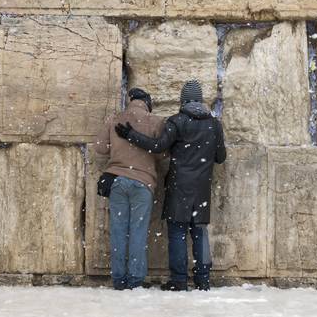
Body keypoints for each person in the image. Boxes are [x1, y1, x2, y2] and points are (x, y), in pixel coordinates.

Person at [116, 79, 226, 291]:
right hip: (202, 189)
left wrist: (131, 135)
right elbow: (221, 157)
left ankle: (179, 280)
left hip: (179, 186)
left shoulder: (176, 121)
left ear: (182, 101)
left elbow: (158, 146)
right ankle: (203, 279)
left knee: (177, 233)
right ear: (201, 100)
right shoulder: (214, 125)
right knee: (200, 232)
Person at [93, 88, 166, 290]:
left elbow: (99, 147)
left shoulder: (115, 118)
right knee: (138, 232)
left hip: (118, 180)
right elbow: (162, 152)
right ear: (147, 102)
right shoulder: (155, 121)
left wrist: (117, 151)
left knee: (118, 230)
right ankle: (135, 279)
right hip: (143, 182)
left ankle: (118, 278)